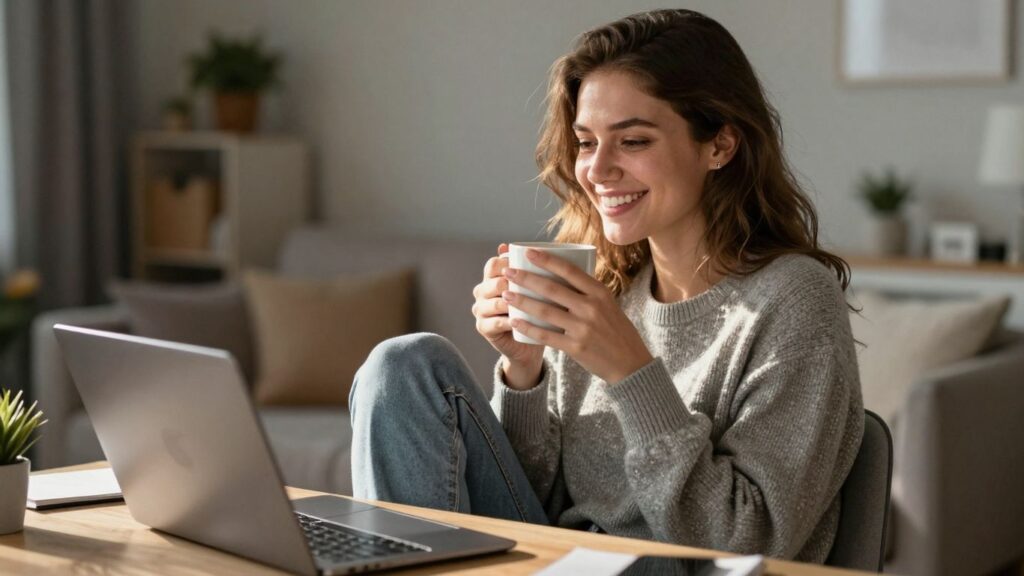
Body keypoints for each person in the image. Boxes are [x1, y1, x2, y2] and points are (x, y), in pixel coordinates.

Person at [349, 8, 863, 563]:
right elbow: (540, 506)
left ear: (720, 145)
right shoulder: (608, 289)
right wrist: (525, 373)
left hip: (677, 571)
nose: (596, 170)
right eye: (587, 142)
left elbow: (749, 543)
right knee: (405, 364)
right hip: (567, 561)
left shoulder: (793, 301)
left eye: (633, 141)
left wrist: (631, 372)